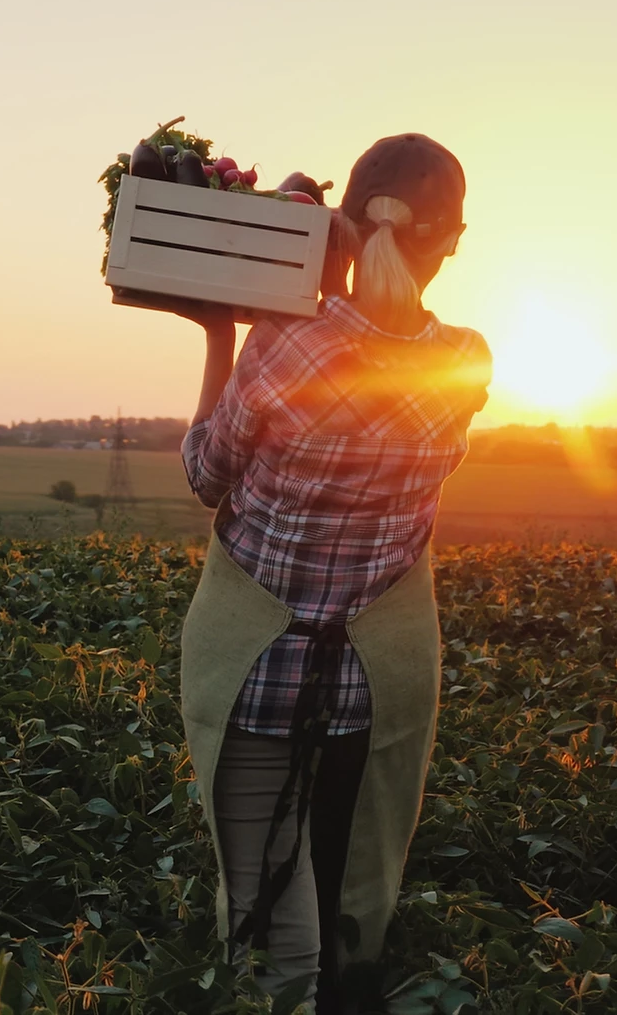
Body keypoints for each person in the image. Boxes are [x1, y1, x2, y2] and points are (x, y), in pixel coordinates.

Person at [175, 134, 491, 1011]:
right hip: (372, 686)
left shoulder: (283, 343)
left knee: (266, 931)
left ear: (345, 225)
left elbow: (206, 474)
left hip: (255, 678)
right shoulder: (466, 363)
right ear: (454, 241)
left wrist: (221, 333)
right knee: (349, 919)